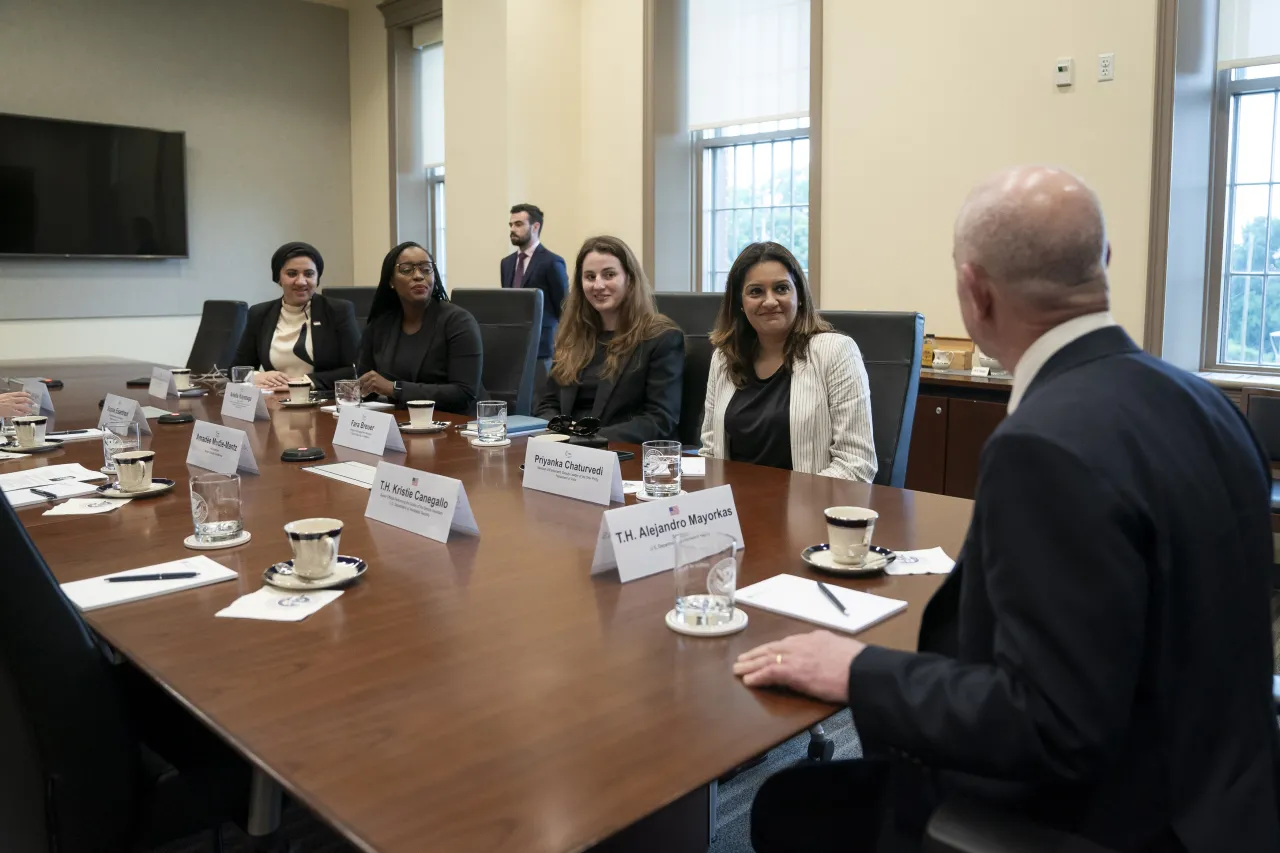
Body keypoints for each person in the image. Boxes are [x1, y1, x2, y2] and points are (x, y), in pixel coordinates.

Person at [736, 167, 1280, 852]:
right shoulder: (1208, 405)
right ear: (1104, 264)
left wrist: (855, 669)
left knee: (789, 808)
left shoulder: (1044, 446)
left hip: (1110, 819)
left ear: (973, 291)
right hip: (1223, 797)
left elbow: (1051, 724)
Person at [698, 241, 876, 481]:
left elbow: (857, 464)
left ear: (799, 296)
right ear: (740, 303)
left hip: (807, 509)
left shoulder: (835, 352)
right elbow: (711, 453)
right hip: (734, 507)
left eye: (781, 289)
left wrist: (783, 503)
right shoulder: (724, 358)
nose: (770, 301)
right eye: (755, 291)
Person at [534, 235, 683, 443]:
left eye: (609, 275)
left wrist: (588, 439)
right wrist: (559, 434)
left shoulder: (661, 337)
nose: (598, 285)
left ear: (629, 279)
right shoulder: (572, 334)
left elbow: (659, 419)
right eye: (590, 277)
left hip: (623, 454)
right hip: (565, 455)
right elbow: (548, 403)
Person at [356, 242, 482, 414]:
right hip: (401, 421)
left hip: (455, 424)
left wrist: (395, 389)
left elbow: (464, 392)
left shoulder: (458, 322)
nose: (418, 276)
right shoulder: (380, 325)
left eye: (425, 268)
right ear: (391, 281)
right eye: (406, 269)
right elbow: (366, 384)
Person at [231, 241, 360, 391]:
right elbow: (235, 369)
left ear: (317, 278)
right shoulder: (260, 313)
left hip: (322, 402)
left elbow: (355, 369)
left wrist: (303, 382)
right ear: (278, 278)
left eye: (309, 274)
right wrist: (254, 376)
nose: (301, 281)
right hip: (276, 402)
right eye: (292, 274)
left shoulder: (338, 310)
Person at [502, 204, 568, 366]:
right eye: (511, 225)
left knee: (540, 391)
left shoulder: (552, 262)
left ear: (535, 227)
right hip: (513, 346)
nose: (512, 229)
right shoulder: (506, 263)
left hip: (543, 347)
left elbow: (564, 306)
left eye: (518, 224)